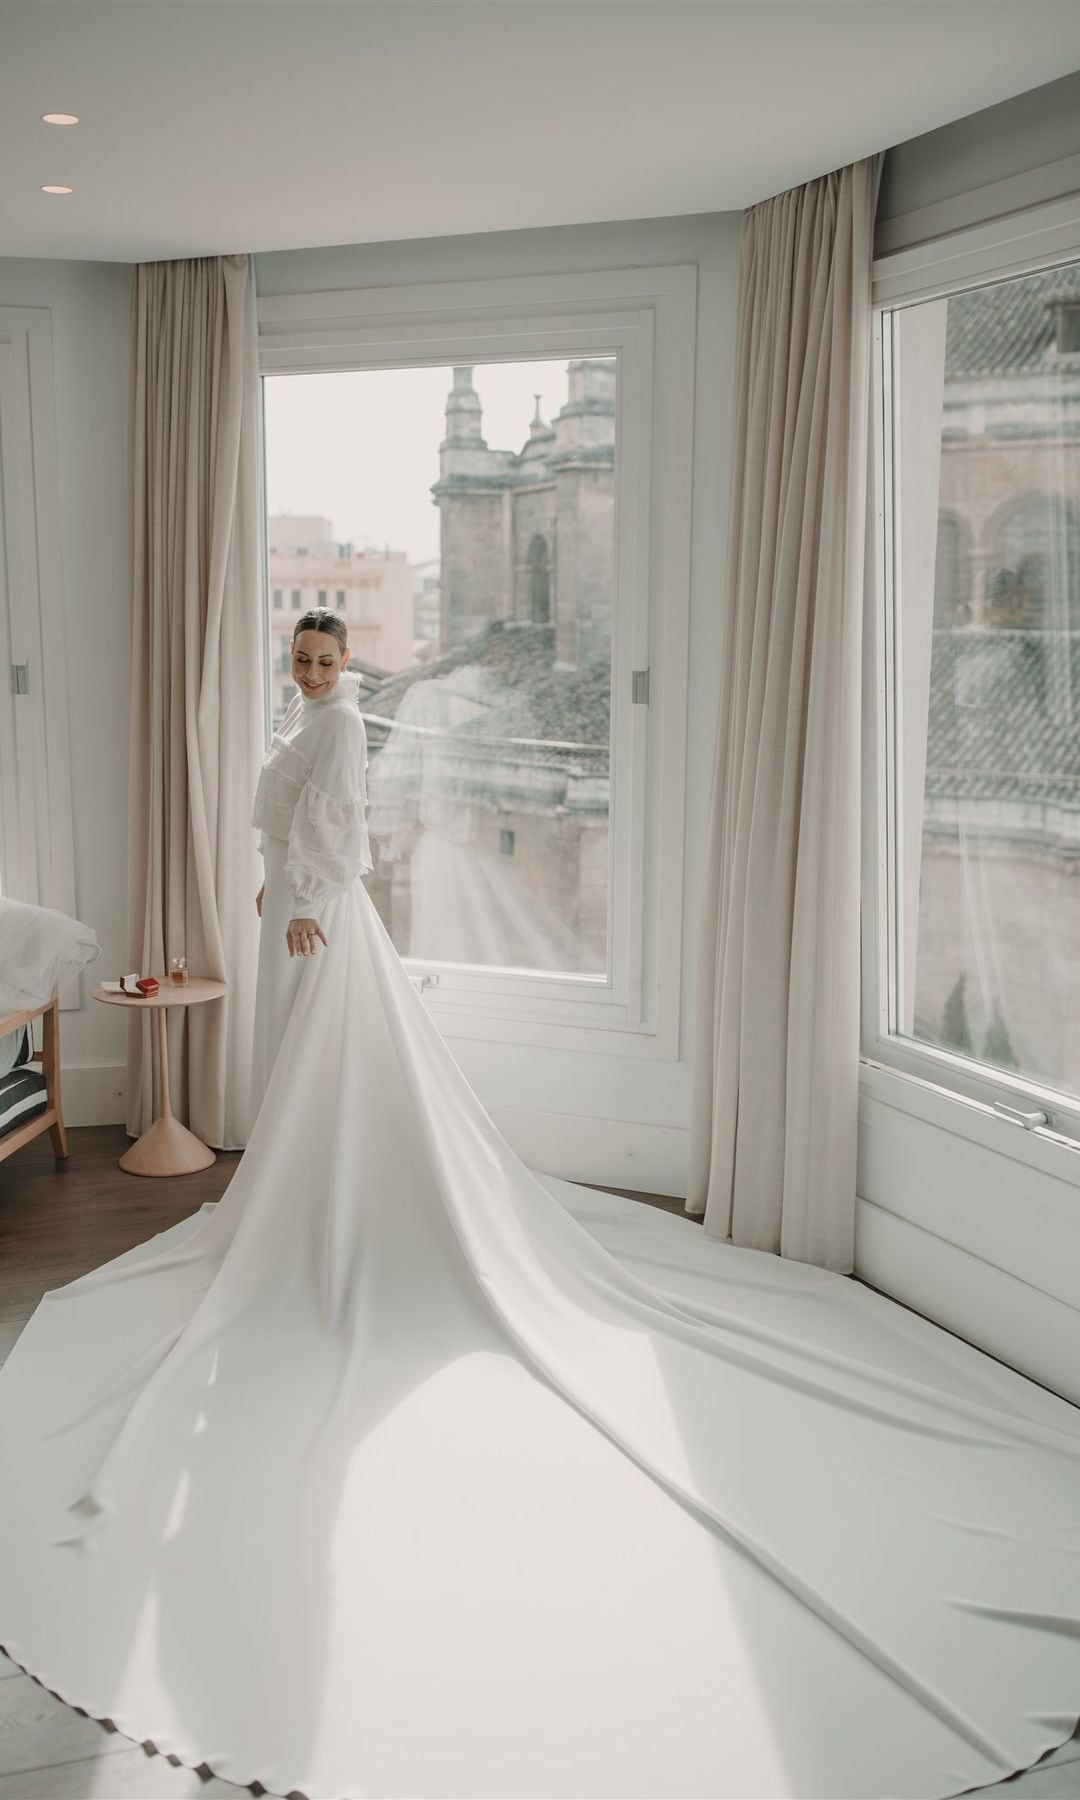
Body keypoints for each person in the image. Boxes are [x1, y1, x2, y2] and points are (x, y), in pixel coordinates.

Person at [1, 610, 1079, 1800]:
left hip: (321, 916)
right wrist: (278, 887)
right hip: (296, 910)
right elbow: (290, 818)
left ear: (347, 662)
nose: (313, 673)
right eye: (301, 659)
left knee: (328, 1068)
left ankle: (346, 1209)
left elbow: (337, 828)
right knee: (312, 1070)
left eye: (325, 658)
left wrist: (304, 895)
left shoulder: (346, 723)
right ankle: (311, 1197)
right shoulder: (310, 717)